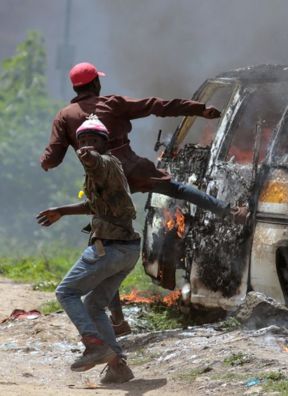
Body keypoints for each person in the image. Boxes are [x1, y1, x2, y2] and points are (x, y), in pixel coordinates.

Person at [40, 62, 248, 335]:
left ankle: (117, 320)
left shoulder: (65, 116)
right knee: (179, 189)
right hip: (132, 169)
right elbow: (157, 105)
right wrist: (199, 109)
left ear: (76, 87)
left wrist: (45, 161)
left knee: (103, 245)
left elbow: (51, 160)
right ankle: (230, 212)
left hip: (102, 183)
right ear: (95, 84)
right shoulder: (111, 103)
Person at [37, 116, 139, 383]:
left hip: (110, 249)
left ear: (104, 144)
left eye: (94, 141)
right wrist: (61, 210)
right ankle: (118, 365)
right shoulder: (112, 169)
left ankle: (94, 345)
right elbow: (97, 206)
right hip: (127, 251)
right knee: (94, 305)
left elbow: (96, 162)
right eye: (82, 141)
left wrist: (89, 155)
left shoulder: (103, 163)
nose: (86, 146)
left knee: (66, 292)